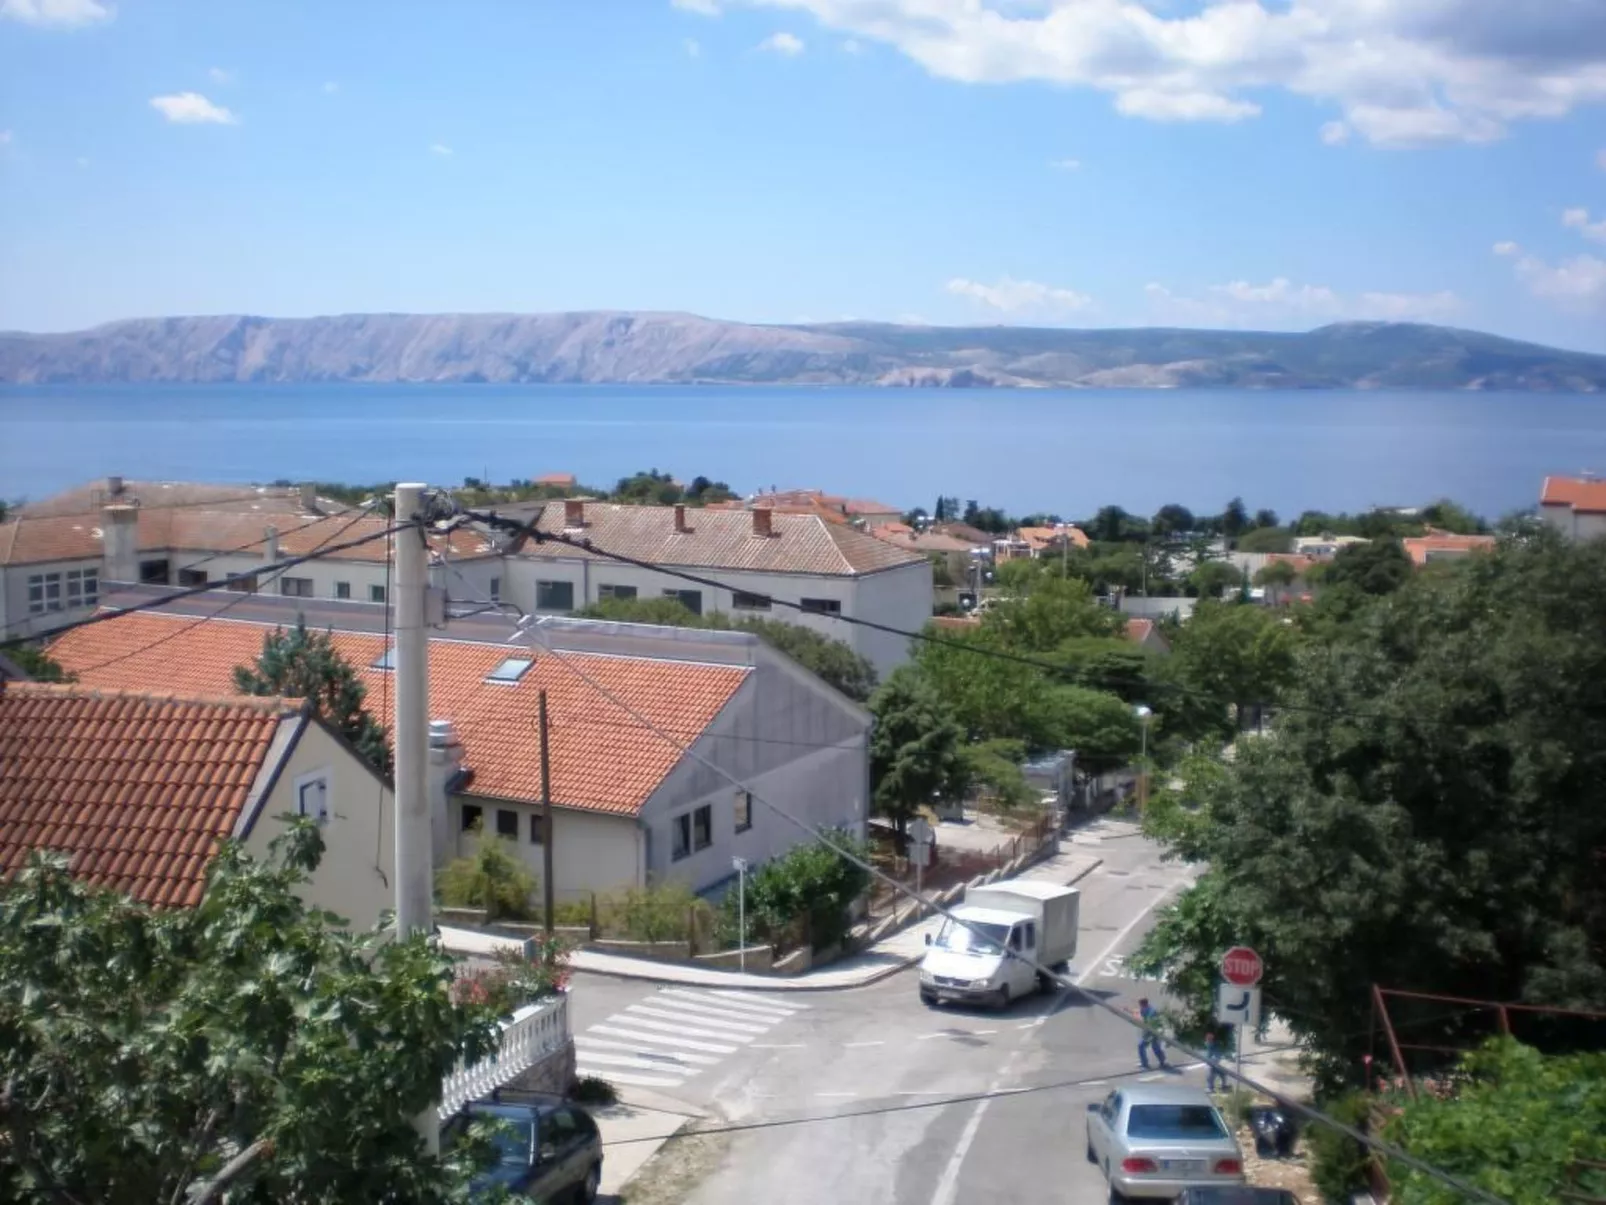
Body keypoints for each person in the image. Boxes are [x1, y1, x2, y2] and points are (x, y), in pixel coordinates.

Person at [1137, 998, 1167, 1069]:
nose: (1140, 1006)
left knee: (1155, 1047)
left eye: (1140, 1004)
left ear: (1144, 1004)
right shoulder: (1143, 1010)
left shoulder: (1152, 1011)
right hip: (1148, 1032)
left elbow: (1157, 1022)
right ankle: (1144, 1063)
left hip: (1154, 1032)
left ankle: (1162, 1061)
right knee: (1141, 1046)